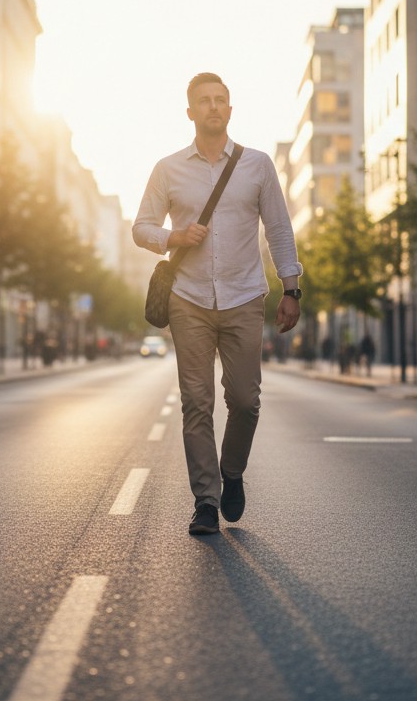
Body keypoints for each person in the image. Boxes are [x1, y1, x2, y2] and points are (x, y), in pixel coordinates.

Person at [133, 73, 303, 536]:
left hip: (245, 296)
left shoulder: (258, 165)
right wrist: (173, 236)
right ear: (190, 112)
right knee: (196, 402)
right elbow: (141, 226)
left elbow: (280, 230)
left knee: (246, 401)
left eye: (220, 100)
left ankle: (231, 472)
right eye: (203, 101)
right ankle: (206, 500)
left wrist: (291, 289)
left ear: (230, 109)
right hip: (188, 298)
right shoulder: (168, 169)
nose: (213, 107)